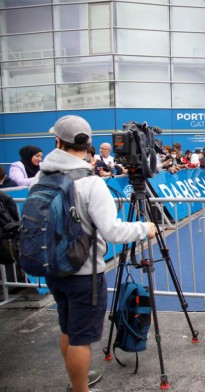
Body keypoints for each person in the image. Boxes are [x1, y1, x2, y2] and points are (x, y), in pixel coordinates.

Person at [38, 115, 156, 392]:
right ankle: (80, 389)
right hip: (84, 273)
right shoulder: (90, 183)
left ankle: (76, 379)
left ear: (58, 141)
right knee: (80, 338)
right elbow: (113, 231)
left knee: (67, 329)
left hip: (53, 267)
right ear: (87, 144)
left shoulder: (40, 178)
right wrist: (145, 228)